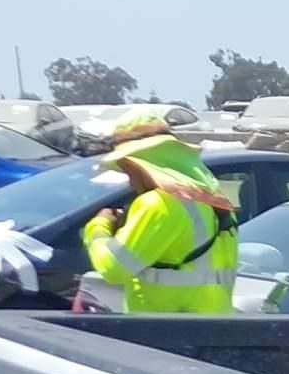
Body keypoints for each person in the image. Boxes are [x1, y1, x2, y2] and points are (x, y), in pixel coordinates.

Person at [81, 116, 237, 313]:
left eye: (128, 170)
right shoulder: (213, 200)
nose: (130, 181)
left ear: (139, 165)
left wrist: (98, 226)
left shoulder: (157, 203)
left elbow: (113, 269)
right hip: (213, 325)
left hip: (168, 329)